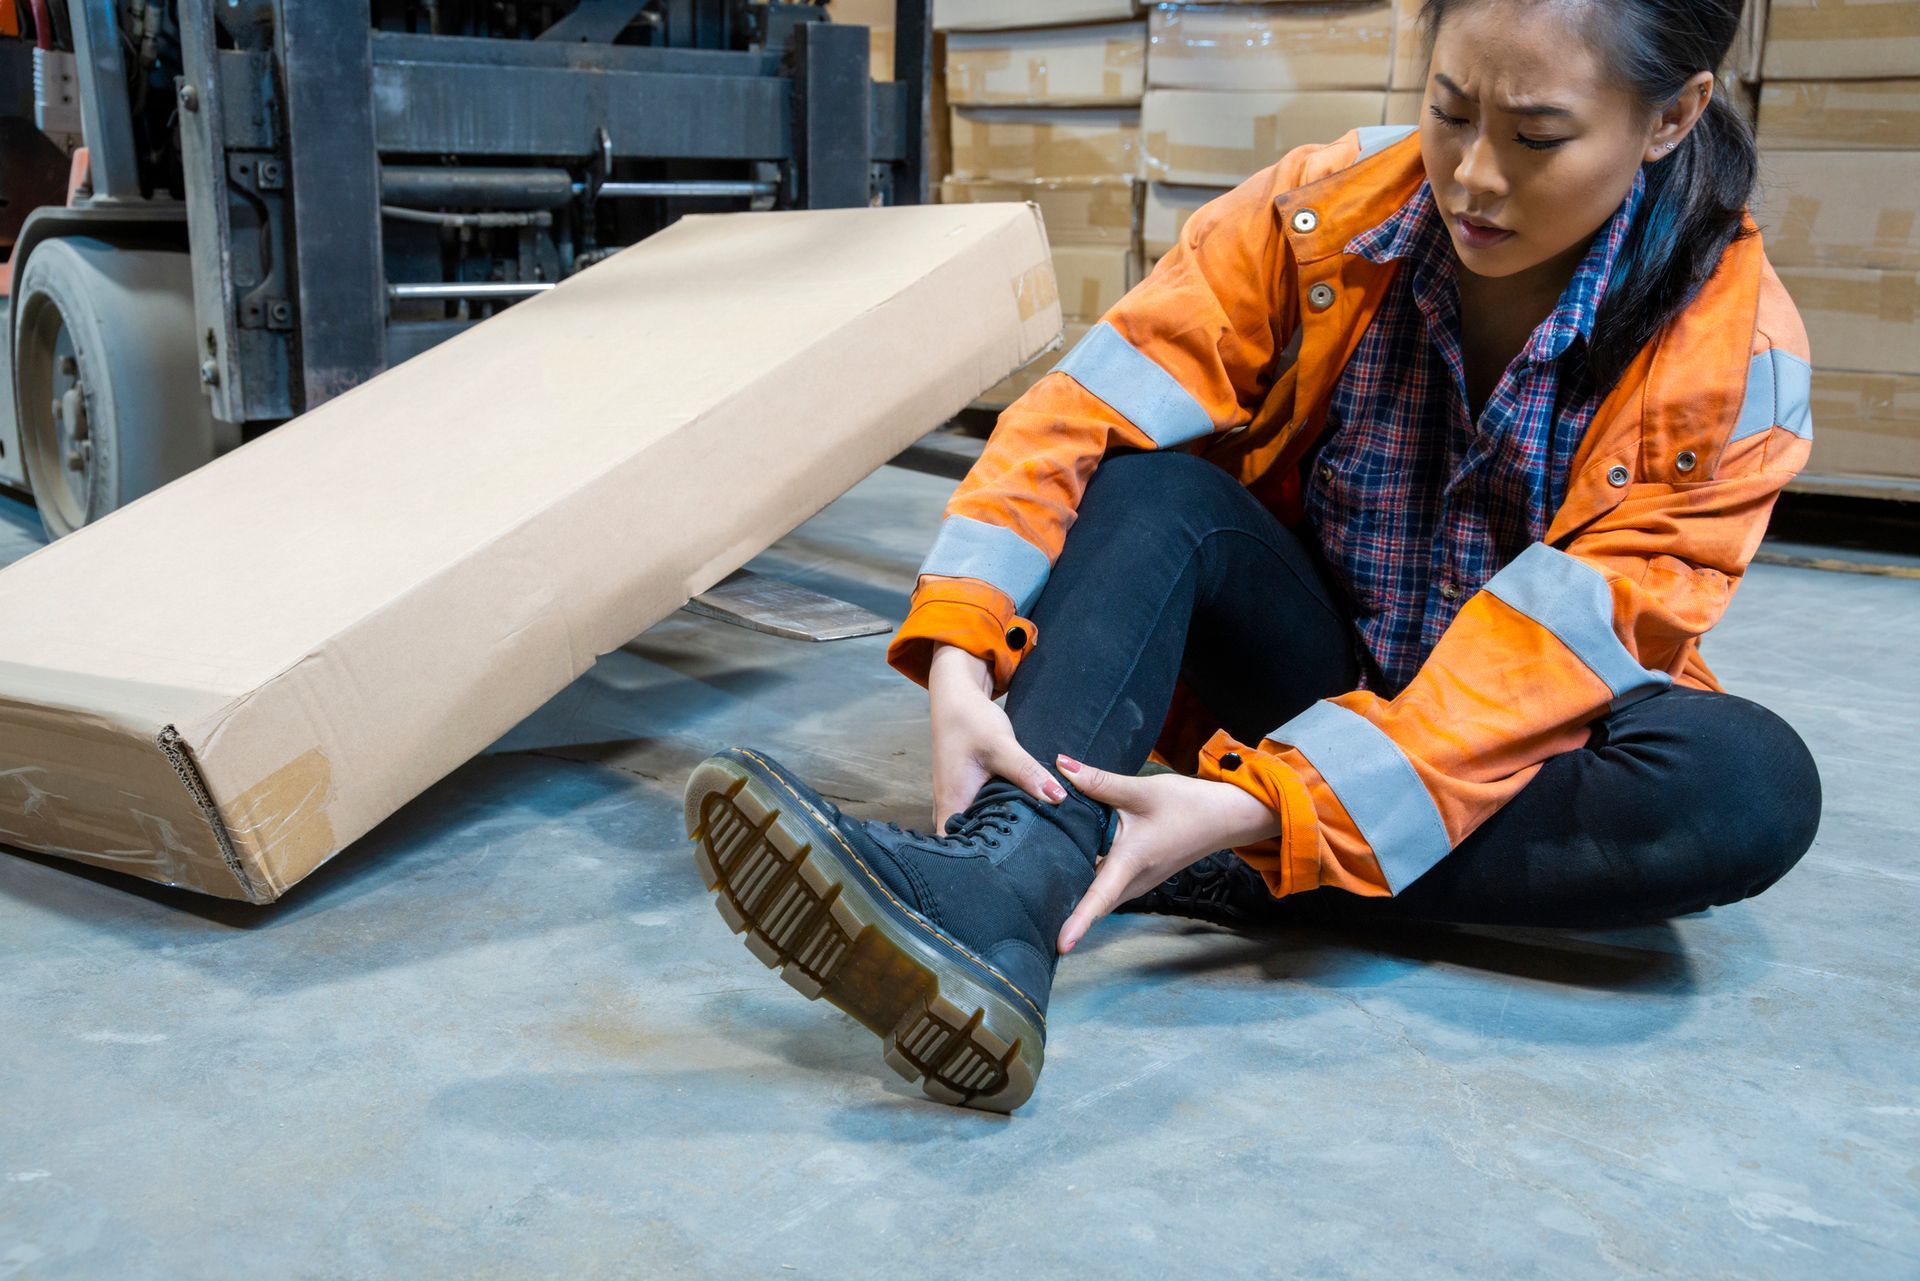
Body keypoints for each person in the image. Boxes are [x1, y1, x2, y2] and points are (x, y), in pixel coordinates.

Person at [682, 0, 1822, 1113]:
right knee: (1157, 487)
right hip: (1292, 679)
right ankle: (1011, 876)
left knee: (1748, 787)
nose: (1473, 175)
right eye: (1449, 110)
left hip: (1508, 744)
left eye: (1536, 138)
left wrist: (1274, 811)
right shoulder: (1319, 213)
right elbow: (1080, 414)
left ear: (1672, 117)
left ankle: (1200, 855)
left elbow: (1543, 668)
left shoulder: (1734, 360)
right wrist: (960, 649)